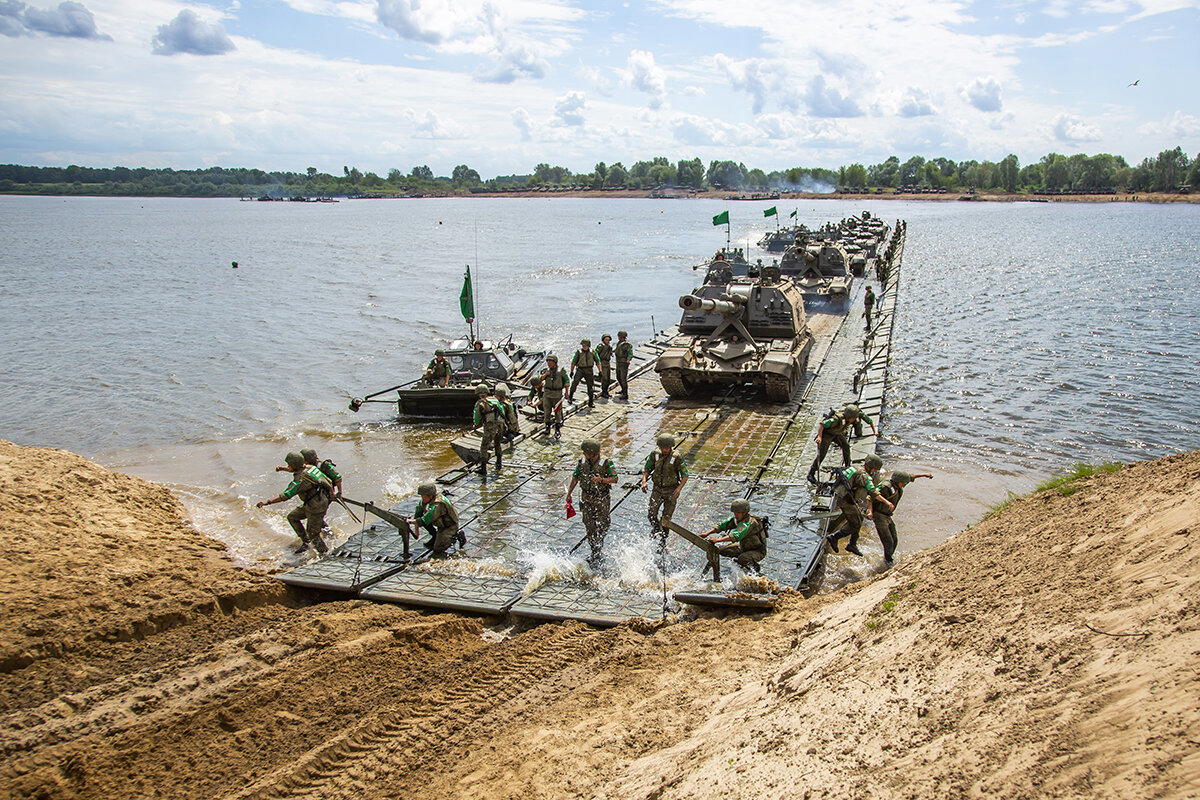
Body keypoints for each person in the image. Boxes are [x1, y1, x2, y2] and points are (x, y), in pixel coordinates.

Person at [258, 452, 333, 555]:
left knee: (313, 534)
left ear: (294, 465)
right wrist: (283, 469)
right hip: (319, 500)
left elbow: (286, 495)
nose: (288, 467)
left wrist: (267, 502)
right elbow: (326, 479)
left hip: (316, 507)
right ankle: (306, 542)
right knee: (292, 517)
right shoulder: (310, 467)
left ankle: (324, 554)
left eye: (289, 465)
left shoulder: (300, 480)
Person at [826, 454, 892, 557]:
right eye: (874, 469)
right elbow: (873, 491)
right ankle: (834, 537)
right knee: (855, 523)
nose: (875, 472)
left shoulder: (855, 467)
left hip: (841, 496)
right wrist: (887, 502)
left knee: (859, 519)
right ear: (870, 466)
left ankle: (852, 544)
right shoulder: (864, 475)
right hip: (846, 501)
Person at [566, 439, 618, 569]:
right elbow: (575, 477)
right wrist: (569, 494)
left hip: (601, 498)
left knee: (603, 523)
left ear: (592, 453)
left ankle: (599, 545)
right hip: (586, 498)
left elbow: (615, 479)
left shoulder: (606, 462)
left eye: (585, 452)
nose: (583, 454)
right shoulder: (582, 462)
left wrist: (602, 480)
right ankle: (594, 549)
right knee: (588, 524)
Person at [871, 469, 932, 564]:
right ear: (897, 481)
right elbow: (871, 496)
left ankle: (888, 558)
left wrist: (924, 475)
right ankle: (888, 562)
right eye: (904, 483)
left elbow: (911, 476)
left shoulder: (898, 483)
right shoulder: (885, 487)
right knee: (888, 541)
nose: (905, 485)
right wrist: (870, 511)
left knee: (894, 539)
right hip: (879, 515)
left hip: (887, 516)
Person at [641, 434, 689, 549]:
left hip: (671, 490)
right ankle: (657, 528)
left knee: (666, 518)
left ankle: (663, 539)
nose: (665, 450)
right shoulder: (655, 455)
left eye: (667, 447)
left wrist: (678, 489)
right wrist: (644, 481)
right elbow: (647, 469)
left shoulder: (677, 457)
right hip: (657, 489)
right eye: (663, 447)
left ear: (671, 447)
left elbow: (685, 475)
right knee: (651, 514)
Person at [701, 498, 767, 573]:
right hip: (743, 547)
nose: (735, 515)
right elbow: (722, 525)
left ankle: (755, 570)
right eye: (734, 512)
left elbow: (736, 535)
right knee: (719, 550)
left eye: (738, 512)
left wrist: (717, 540)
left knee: (743, 559)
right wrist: (707, 533)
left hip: (757, 551)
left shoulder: (749, 523)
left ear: (744, 512)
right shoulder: (736, 519)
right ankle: (711, 573)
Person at [807, 404, 863, 483]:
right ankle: (811, 474)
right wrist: (819, 437)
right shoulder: (836, 419)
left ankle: (847, 466)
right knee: (822, 455)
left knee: (846, 446)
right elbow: (822, 424)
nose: (854, 420)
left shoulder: (847, 419)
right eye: (853, 418)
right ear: (850, 417)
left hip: (836, 433)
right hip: (827, 435)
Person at [410, 483, 461, 557]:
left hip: (449, 527)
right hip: (440, 525)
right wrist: (416, 527)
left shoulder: (438, 504)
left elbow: (427, 518)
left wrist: (411, 522)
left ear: (430, 496)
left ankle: (456, 536)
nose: (422, 498)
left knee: (438, 549)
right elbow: (418, 513)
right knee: (422, 521)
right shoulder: (426, 500)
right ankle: (435, 536)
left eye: (423, 497)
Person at [472, 384, 504, 475]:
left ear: (478, 393)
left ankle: (483, 469)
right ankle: (498, 463)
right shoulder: (495, 400)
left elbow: (477, 417)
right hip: (500, 425)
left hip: (490, 426)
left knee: (484, 447)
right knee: (498, 444)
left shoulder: (480, 403)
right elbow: (502, 411)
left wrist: (475, 425)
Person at [540, 354, 568, 437]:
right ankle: (547, 428)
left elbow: (566, 381)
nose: (548, 363)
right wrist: (545, 375)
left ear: (555, 362)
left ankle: (557, 429)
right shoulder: (546, 370)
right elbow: (540, 379)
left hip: (557, 394)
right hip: (547, 394)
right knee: (547, 411)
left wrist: (566, 392)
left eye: (550, 361)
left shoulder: (561, 371)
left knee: (558, 412)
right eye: (547, 361)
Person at [569, 339, 597, 408]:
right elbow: (573, 362)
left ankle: (591, 402)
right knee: (575, 382)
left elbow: (598, 361)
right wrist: (571, 371)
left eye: (585, 346)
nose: (584, 347)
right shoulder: (579, 352)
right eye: (583, 345)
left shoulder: (592, 352)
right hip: (580, 369)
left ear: (588, 346)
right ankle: (570, 396)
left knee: (590, 386)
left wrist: (600, 371)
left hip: (589, 370)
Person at [614, 330, 634, 399]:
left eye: (619, 336)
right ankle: (623, 389)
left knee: (623, 378)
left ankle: (625, 394)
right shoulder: (619, 343)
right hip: (618, 362)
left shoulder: (627, 344)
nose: (618, 337)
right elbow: (617, 350)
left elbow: (630, 353)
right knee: (618, 377)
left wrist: (628, 359)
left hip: (623, 363)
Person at [596, 334, 614, 399]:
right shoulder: (600, 346)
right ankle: (604, 392)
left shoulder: (609, 347)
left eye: (608, 340)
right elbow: (596, 354)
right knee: (604, 378)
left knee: (608, 379)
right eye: (606, 340)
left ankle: (606, 391)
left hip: (607, 363)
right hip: (602, 363)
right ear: (603, 340)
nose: (607, 341)